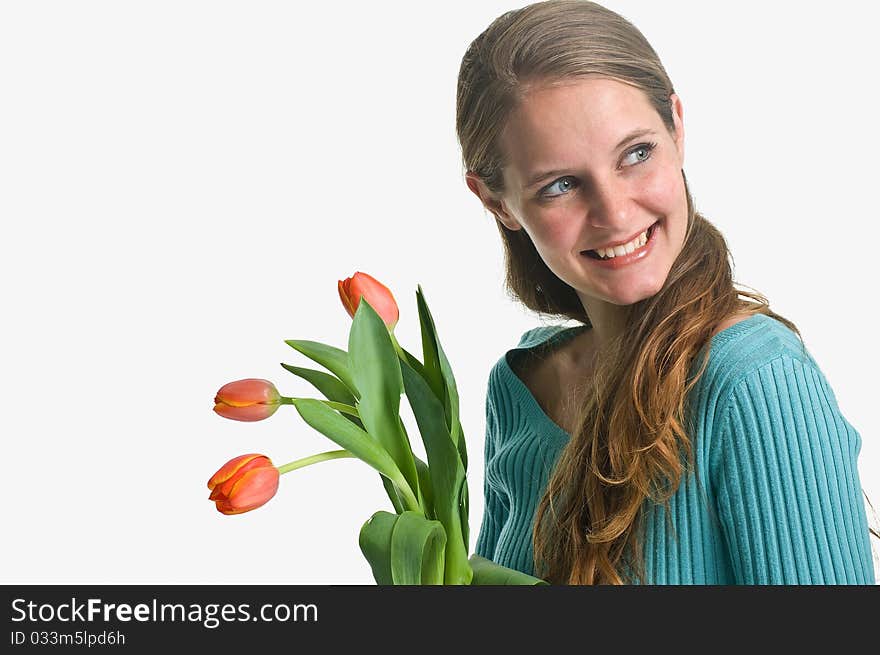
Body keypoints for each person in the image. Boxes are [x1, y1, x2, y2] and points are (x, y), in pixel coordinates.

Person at [457, 0, 877, 584]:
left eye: (636, 153)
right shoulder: (519, 386)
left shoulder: (754, 381)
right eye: (560, 185)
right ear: (496, 201)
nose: (615, 211)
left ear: (676, 129)